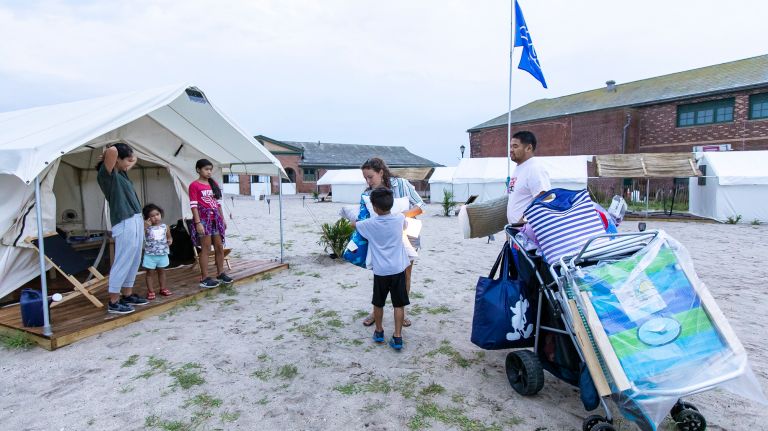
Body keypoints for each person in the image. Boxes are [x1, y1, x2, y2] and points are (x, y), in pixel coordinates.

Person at [358, 157, 424, 328]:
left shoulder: (401, 184)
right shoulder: (368, 193)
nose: (368, 181)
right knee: (380, 274)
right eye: (365, 178)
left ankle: (403, 312)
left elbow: (419, 206)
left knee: (405, 274)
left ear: (381, 172)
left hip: (407, 234)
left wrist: (398, 218)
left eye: (370, 177)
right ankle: (376, 311)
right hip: (382, 237)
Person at [351, 188, 411, 350]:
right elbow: (405, 225)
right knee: (399, 304)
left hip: (381, 271)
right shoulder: (399, 219)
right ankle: (398, 337)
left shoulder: (369, 224)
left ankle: (379, 332)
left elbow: (353, 224)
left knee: (378, 303)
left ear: (375, 208)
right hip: (398, 269)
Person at [96, 143, 149, 314]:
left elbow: (134, 159)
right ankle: (113, 300)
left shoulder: (121, 174)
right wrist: (107, 154)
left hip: (135, 219)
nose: (130, 163)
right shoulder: (106, 175)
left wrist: (130, 158)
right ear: (116, 160)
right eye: (127, 160)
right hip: (124, 220)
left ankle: (127, 294)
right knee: (123, 259)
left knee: (134, 259)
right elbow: (112, 150)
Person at [189, 159, 232, 288]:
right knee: (206, 248)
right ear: (198, 170)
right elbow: (194, 205)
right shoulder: (194, 185)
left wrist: (222, 219)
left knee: (219, 247)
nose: (209, 172)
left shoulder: (213, 184)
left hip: (215, 219)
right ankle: (205, 277)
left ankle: (220, 273)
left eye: (210, 169)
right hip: (203, 219)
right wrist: (197, 222)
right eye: (206, 169)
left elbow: (218, 203)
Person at [506, 131, 551, 224]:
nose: (511, 150)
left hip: (527, 232)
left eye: (515, 146)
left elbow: (545, 199)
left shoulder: (534, 168)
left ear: (528, 148)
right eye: (510, 146)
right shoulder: (519, 167)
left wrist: (522, 224)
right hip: (516, 231)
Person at [142, 203, 173, 300]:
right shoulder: (147, 227)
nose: (155, 217)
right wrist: (145, 226)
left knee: (162, 272)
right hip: (150, 254)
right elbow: (141, 236)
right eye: (152, 216)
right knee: (149, 273)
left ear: (161, 214)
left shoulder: (165, 226)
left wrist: (170, 240)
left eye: (157, 214)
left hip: (162, 253)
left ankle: (162, 288)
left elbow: (169, 236)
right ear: (147, 218)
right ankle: (151, 291)